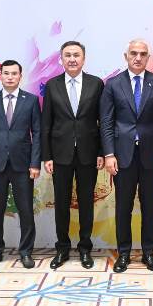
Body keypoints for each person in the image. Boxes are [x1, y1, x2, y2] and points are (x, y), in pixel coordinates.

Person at [100, 39, 153, 273]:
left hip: (151, 155)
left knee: (150, 206)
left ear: (148, 57)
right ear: (126, 56)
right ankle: (124, 253)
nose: (138, 57)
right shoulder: (113, 84)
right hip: (122, 156)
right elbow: (107, 123)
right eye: (134, 53)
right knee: (123, 207)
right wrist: (109, 154)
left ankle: (149, 253)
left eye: (142, 54)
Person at [41, 41, 105, 270]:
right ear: (61, 59)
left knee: (86, 202)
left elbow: (103, 121)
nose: (72, 59)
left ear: (83, 59)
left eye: (76, 55)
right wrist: (46, 156)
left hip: (89, 153)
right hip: (60, 154)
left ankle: (85, 248)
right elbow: (46, 123)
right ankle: (62, 248)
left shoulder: (96, 84)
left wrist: (102, 152)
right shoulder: (52, 85)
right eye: (67, 55)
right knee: (62, 203)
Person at [0, 60, 41, 269]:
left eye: (14, 73)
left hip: (23, 164)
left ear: (20, 76)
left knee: (26, 210)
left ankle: (26, 252)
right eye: (6, 73)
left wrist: (35, 163)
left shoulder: (31, 100)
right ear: (0, 76)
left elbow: (37, 133)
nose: (10, 77)